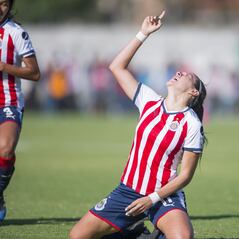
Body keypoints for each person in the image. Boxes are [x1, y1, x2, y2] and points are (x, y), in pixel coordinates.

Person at [69, 11, 207, 239]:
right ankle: (135, 234)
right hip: (128, 190)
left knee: (183, 237)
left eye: (187, 75)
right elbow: (117, 67)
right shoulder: (150, 101)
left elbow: (185, 176)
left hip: (162, 195)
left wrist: (151, 199)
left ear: (193, 92)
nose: (180, 72)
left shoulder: (192, 125)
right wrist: (144, 33)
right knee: (77, 237)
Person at [0, 0, 41, 222]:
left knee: (5, 149)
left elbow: (35, 73)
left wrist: (5, 67)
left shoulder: (16, 33)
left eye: (4, 3)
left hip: (9, 102)